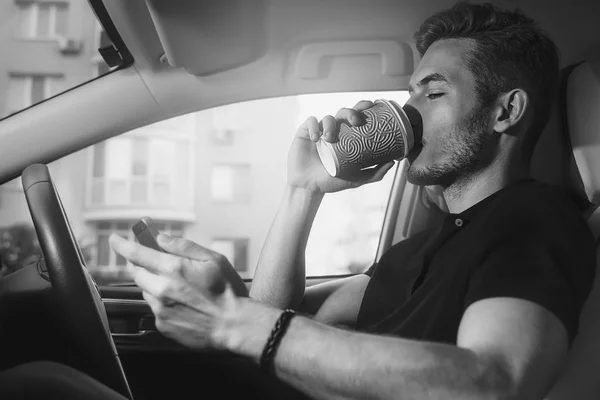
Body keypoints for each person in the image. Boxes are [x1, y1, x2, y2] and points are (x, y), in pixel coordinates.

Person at [110, 2, 595, 399]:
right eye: (410, 93)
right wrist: (303, 189)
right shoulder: (418, 250)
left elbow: (492, 383)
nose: (409, 110)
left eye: (433, 92)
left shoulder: (535, 221)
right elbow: (278, 311)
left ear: (505, 111)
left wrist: (237, 322)